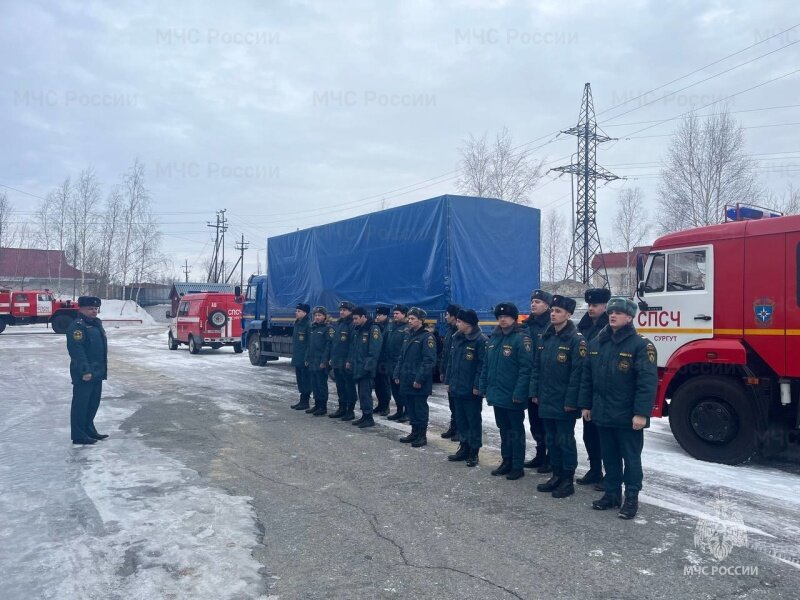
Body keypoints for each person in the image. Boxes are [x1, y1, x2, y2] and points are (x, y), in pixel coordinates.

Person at [579, 297, 657, 520]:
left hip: (628, 415)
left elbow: (647, 382)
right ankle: (612, 494)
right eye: (611, 312)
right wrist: (586, 404)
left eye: (619, 313)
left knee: (631, 459)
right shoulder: (597, 342)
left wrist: (641, 413)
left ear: (630, 317)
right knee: (609, 457)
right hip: (603, 412)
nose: (613, 315)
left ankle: (631, 498)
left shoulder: (641, 345)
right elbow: (588, 377)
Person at [530, 295, 585, 499]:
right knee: (551, 440)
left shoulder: (575, 340)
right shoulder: (546, 337)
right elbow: (537, 367)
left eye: (558, 311)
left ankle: (567, 480)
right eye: (552, 310)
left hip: (564, 403)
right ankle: (556, 475)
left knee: (565, 441)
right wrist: (535, 392)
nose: (553, 314)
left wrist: (572, 401)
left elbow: (577, 374)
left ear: (568, 315)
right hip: (546, 399)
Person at [479, 302, 533, 481]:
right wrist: (484, 386)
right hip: (497, 394)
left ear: (514, 318)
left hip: (512, 396)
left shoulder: (521, 338)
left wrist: (519, 393)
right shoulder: (494, 338)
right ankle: (506, 461)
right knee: (503, 430)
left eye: (506, 316)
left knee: (515, 431)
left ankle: (517, 465)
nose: (502, 319)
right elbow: (486, 365)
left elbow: (526, 369)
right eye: (500, 317)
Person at [576, 287, 611, 488]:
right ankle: (595, 469)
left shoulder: (609, 327)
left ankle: (610, 473)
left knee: (604, 434)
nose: (590, 308)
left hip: (603, 386)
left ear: (605, 306)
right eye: (589, 305)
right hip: (587, 385)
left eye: (595, 305)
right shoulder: (584, 326)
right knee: (589, 433)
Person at [445, 309, 487, 467]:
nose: (457, 323)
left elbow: (482, 366)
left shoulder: (480, 340)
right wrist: (449, 381)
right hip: (457, 387)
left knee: (473, 421)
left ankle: (474, 451)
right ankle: (464, 447)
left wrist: (477, 386)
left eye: (459, 321)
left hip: (471, 390)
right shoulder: (457, 338)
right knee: (461, 420)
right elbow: (451, 362)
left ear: (468, 324)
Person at [66, 296, 108, 445]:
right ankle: (78, 435)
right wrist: (85, 371)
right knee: (81, 404)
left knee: (92, 403)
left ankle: (89, 429)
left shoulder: (96, 324)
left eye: (96, 308)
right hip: (84, 373)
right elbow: (77, 351)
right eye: (90, 308)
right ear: (81, 309)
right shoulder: (77, 326)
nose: (94, 311)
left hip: (97, 372)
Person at [393, 307, 436, 447]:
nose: (409, 321)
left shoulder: (426, 337)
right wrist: (397, 373)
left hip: (418, 381)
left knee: (420, 408)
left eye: (413, 319)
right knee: (410, 407)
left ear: (421, 321)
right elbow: (401, 357)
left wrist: (419, 379)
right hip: (406, 378)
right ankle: (414, 432)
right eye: (409, 318)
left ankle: (422, 435)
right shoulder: (408, 334)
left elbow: (429, 361)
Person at [523, 289, 552, 472]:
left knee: (546, 422)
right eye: (533, 301)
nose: (534, 304)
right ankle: (540, 453)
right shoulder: (527, 325)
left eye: (538, 302)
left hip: (545, 381)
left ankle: (550, 458)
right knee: (534, 421)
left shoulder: (551, 325)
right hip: (529, 379)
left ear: (547, 306)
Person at [347, 306, 383, 428]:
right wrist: (351, 362)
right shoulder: (358, 330)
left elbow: (374, 351)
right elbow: (354, 349)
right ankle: (364, 416)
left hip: (366, 369)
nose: (354, 321)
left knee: (365, 394)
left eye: (356, 318)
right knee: (361, 393)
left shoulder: (373, 329)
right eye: (353, 319)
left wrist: (367, 368)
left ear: (364, 317)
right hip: (358, 367)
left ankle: (369, 417)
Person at [327, 301, 357, 420]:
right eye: (341, 310)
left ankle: (350, 410)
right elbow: (335, 344)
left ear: (350, 311)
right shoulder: (340, 324)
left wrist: (349, 360)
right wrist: (332, 358)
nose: (341, 312)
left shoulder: (352, 324)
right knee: (340, 386)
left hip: (346, 362)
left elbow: (353, 345)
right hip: (337, 361)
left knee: (349, 386)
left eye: (344, 310)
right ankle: (342, 408)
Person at [305, 306, 332, 416]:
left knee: (321, 385)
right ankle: (317, 405)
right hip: (312, 361)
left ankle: (323, 407)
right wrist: (306, 358)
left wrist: (324, 361)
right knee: (314, 384)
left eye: (319, 315)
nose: (317, 317)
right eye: (315, 315)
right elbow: (309, 345)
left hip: (321, 361)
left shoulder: (328, 328)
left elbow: (328, 347)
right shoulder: (313, 328)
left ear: (325, 316)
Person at [439, 304, 461, 440]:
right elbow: (445, 353)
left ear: (453, 316)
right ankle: (453, 428)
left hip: (457, 373)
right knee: (452, 404)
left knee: (458, 404)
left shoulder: (459, 333)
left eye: (447, 314)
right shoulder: (449, 331)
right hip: (449, 372)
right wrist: (442, 370)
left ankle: (460, 430)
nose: (446, 317)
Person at [385, 305, 410, 423]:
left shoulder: (407, 328)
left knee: (402, 389)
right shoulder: (391, 327)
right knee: (394, 389)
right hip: (390, 363)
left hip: (400, 363)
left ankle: (407, 412)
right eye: (394, 313)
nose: (394, 315)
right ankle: (399, 410)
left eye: (397, 313)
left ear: (404, 314)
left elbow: (405, 349)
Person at [290, 303, 312, 410]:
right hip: (298, 357)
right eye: (296, 311)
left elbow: (309, 343)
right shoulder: (297, 323)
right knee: (300, 380)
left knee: (305, 380)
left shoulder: (308, 324)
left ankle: (305, 401)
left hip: (304, 358)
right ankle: (301, 401)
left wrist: (307, 357)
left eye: (299, 311)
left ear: (305, 313)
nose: (296, 313)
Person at [373, 306, 392, 416]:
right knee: (378, 384)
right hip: (377, 360)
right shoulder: (377, 326)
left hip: (385, 360)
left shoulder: (388, 327)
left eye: (380, 315)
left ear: (385, 316)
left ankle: (386, 406)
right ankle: (380, 404)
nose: (378, 317)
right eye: (377, 315)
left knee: (385, 384)